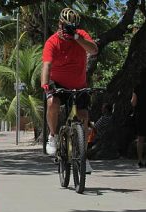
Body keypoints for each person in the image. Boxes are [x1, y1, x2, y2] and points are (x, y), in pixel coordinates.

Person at [41, 8, 98, 173]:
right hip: (58, 83)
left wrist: (76, 37)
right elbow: (46, 65)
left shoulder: (80, 35)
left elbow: (94, 50)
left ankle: (82, 156)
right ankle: (52, 136)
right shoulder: (52, 41)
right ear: (60, 24)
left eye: (72, 26)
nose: (68, 29)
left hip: (79, 84)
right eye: (66, 26)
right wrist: (45, 85)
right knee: (52, 103)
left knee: (84, 116)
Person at [131, 74, 146, 168]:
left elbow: (133, 102)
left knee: (140, 138)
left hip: (141, 115)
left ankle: (140, 160)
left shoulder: (137, 88)